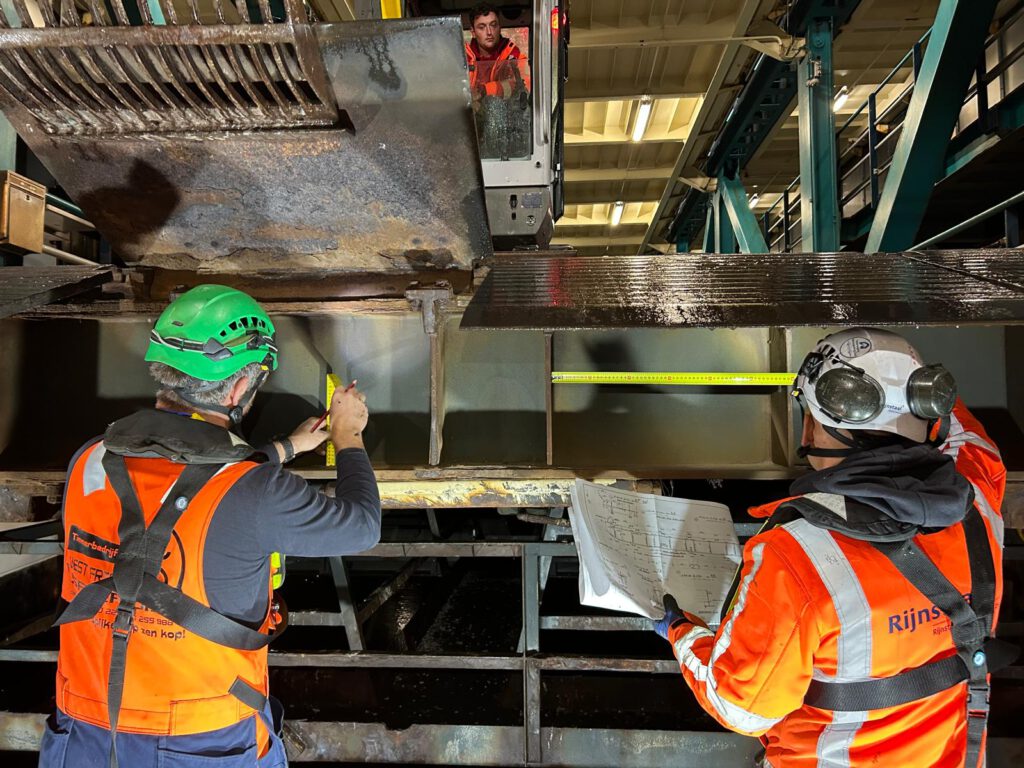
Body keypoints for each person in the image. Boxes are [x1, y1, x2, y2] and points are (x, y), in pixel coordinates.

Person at [39, 284, 382, 767]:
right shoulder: (255, 490)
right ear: (240, 388)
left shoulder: (88, 458)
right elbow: (362, 526)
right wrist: (348, 437)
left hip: (83, 729)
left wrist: (287, 448)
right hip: (199, 739)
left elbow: (187, 475)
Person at [654, 327, 1015, 767]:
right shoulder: (977, 502)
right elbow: (969, 438)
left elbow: (741, 707)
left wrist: (681, 632)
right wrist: (896, 373)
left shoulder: (796, 555)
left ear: (809, 424)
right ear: (927, 412)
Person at [465, 2, 530, 102]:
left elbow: (526, 84)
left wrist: (485, 90)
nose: (489, 32)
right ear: (473, 32)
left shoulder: (514, 56)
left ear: (499, 28)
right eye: (482, 27)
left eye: (493, 25)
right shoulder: (463, 59)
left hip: (507, 114)